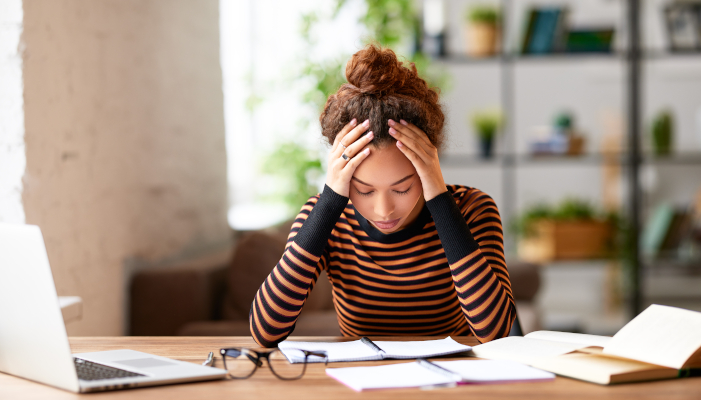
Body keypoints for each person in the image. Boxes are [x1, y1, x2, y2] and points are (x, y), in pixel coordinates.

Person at [250, 44, 515, 347]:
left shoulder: (472, 210)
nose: (384, 210)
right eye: (364, 190)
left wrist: (439, 199)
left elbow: (496, 333)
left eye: (402, 188)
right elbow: (265, 331)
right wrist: (329, 202)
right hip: (357, 384)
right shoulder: (325, 216)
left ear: (430, 165)